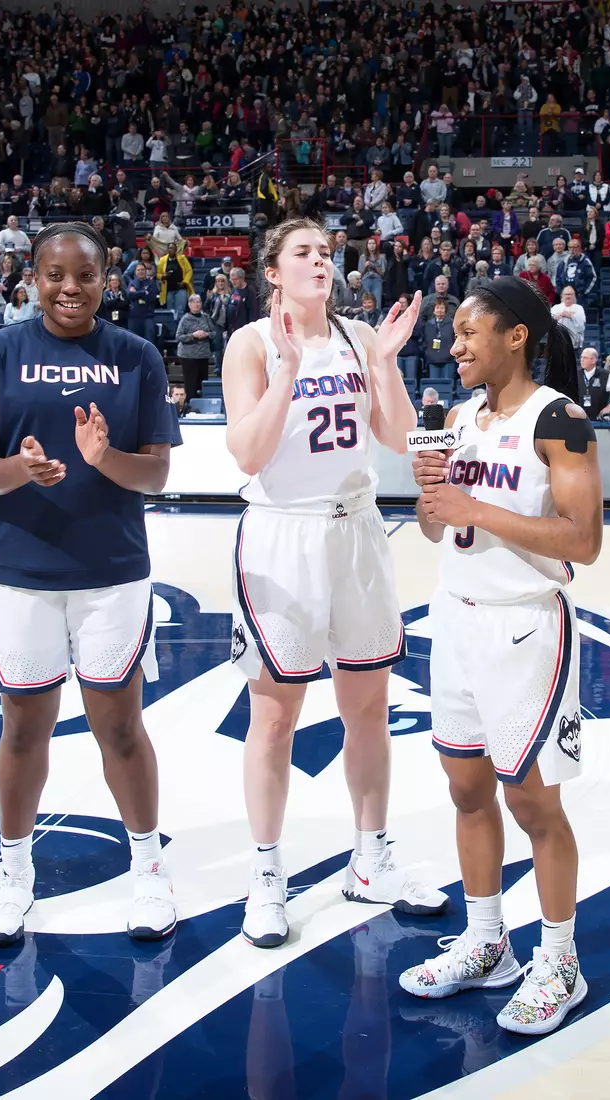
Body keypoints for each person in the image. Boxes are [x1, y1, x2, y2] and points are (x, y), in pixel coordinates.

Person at [0, 223, 183, 946]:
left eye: (84, 276)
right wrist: (24, 469)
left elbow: (155, 474)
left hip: (111, 573)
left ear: (104, 277)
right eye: (55, 274)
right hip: (20, 574)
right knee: (23, 726)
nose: (69, 289)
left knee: (119, 725)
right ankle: (13, 871)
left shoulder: (135, 356)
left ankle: (148, 868)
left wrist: (103, 456)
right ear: (33, 275)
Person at [220, 218, 442, 948]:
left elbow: (398, 436)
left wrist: (387, 364)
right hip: (283, 532)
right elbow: (248, 455)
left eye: (326, 252)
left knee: (368, 708)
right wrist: (286, 368)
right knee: (275, 717)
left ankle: (370, 858)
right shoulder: (250, 343)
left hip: (357, 529)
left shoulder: (357, 336)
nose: (321, 261)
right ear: (273, 273)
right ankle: (264, 876)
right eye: (303, 253)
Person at [400, 275, 599, 1036]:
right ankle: (488, 944)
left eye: (467, 332)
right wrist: (431, 500)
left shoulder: (563, 420)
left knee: (533, 805)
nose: (453, 346)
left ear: (516, 335)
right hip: (454, 619)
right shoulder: (459, 417)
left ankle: (560, 962)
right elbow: (439, 530)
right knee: (466, 792)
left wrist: (473, 507)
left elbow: (585, 540)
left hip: (524, 630)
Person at [174, 292, 216, 411]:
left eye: (198, 302)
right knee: (191, 384)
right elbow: (179, 336)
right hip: (188, 356)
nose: (197, 304)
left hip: (203, 355)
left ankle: (202, 408)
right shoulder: (185, 318)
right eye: (194, 302)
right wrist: (193, 335)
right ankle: (188, 408)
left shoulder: (206, 317)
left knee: (202, 384)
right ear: (189, 305)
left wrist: (206, 334)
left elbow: (214, 333)